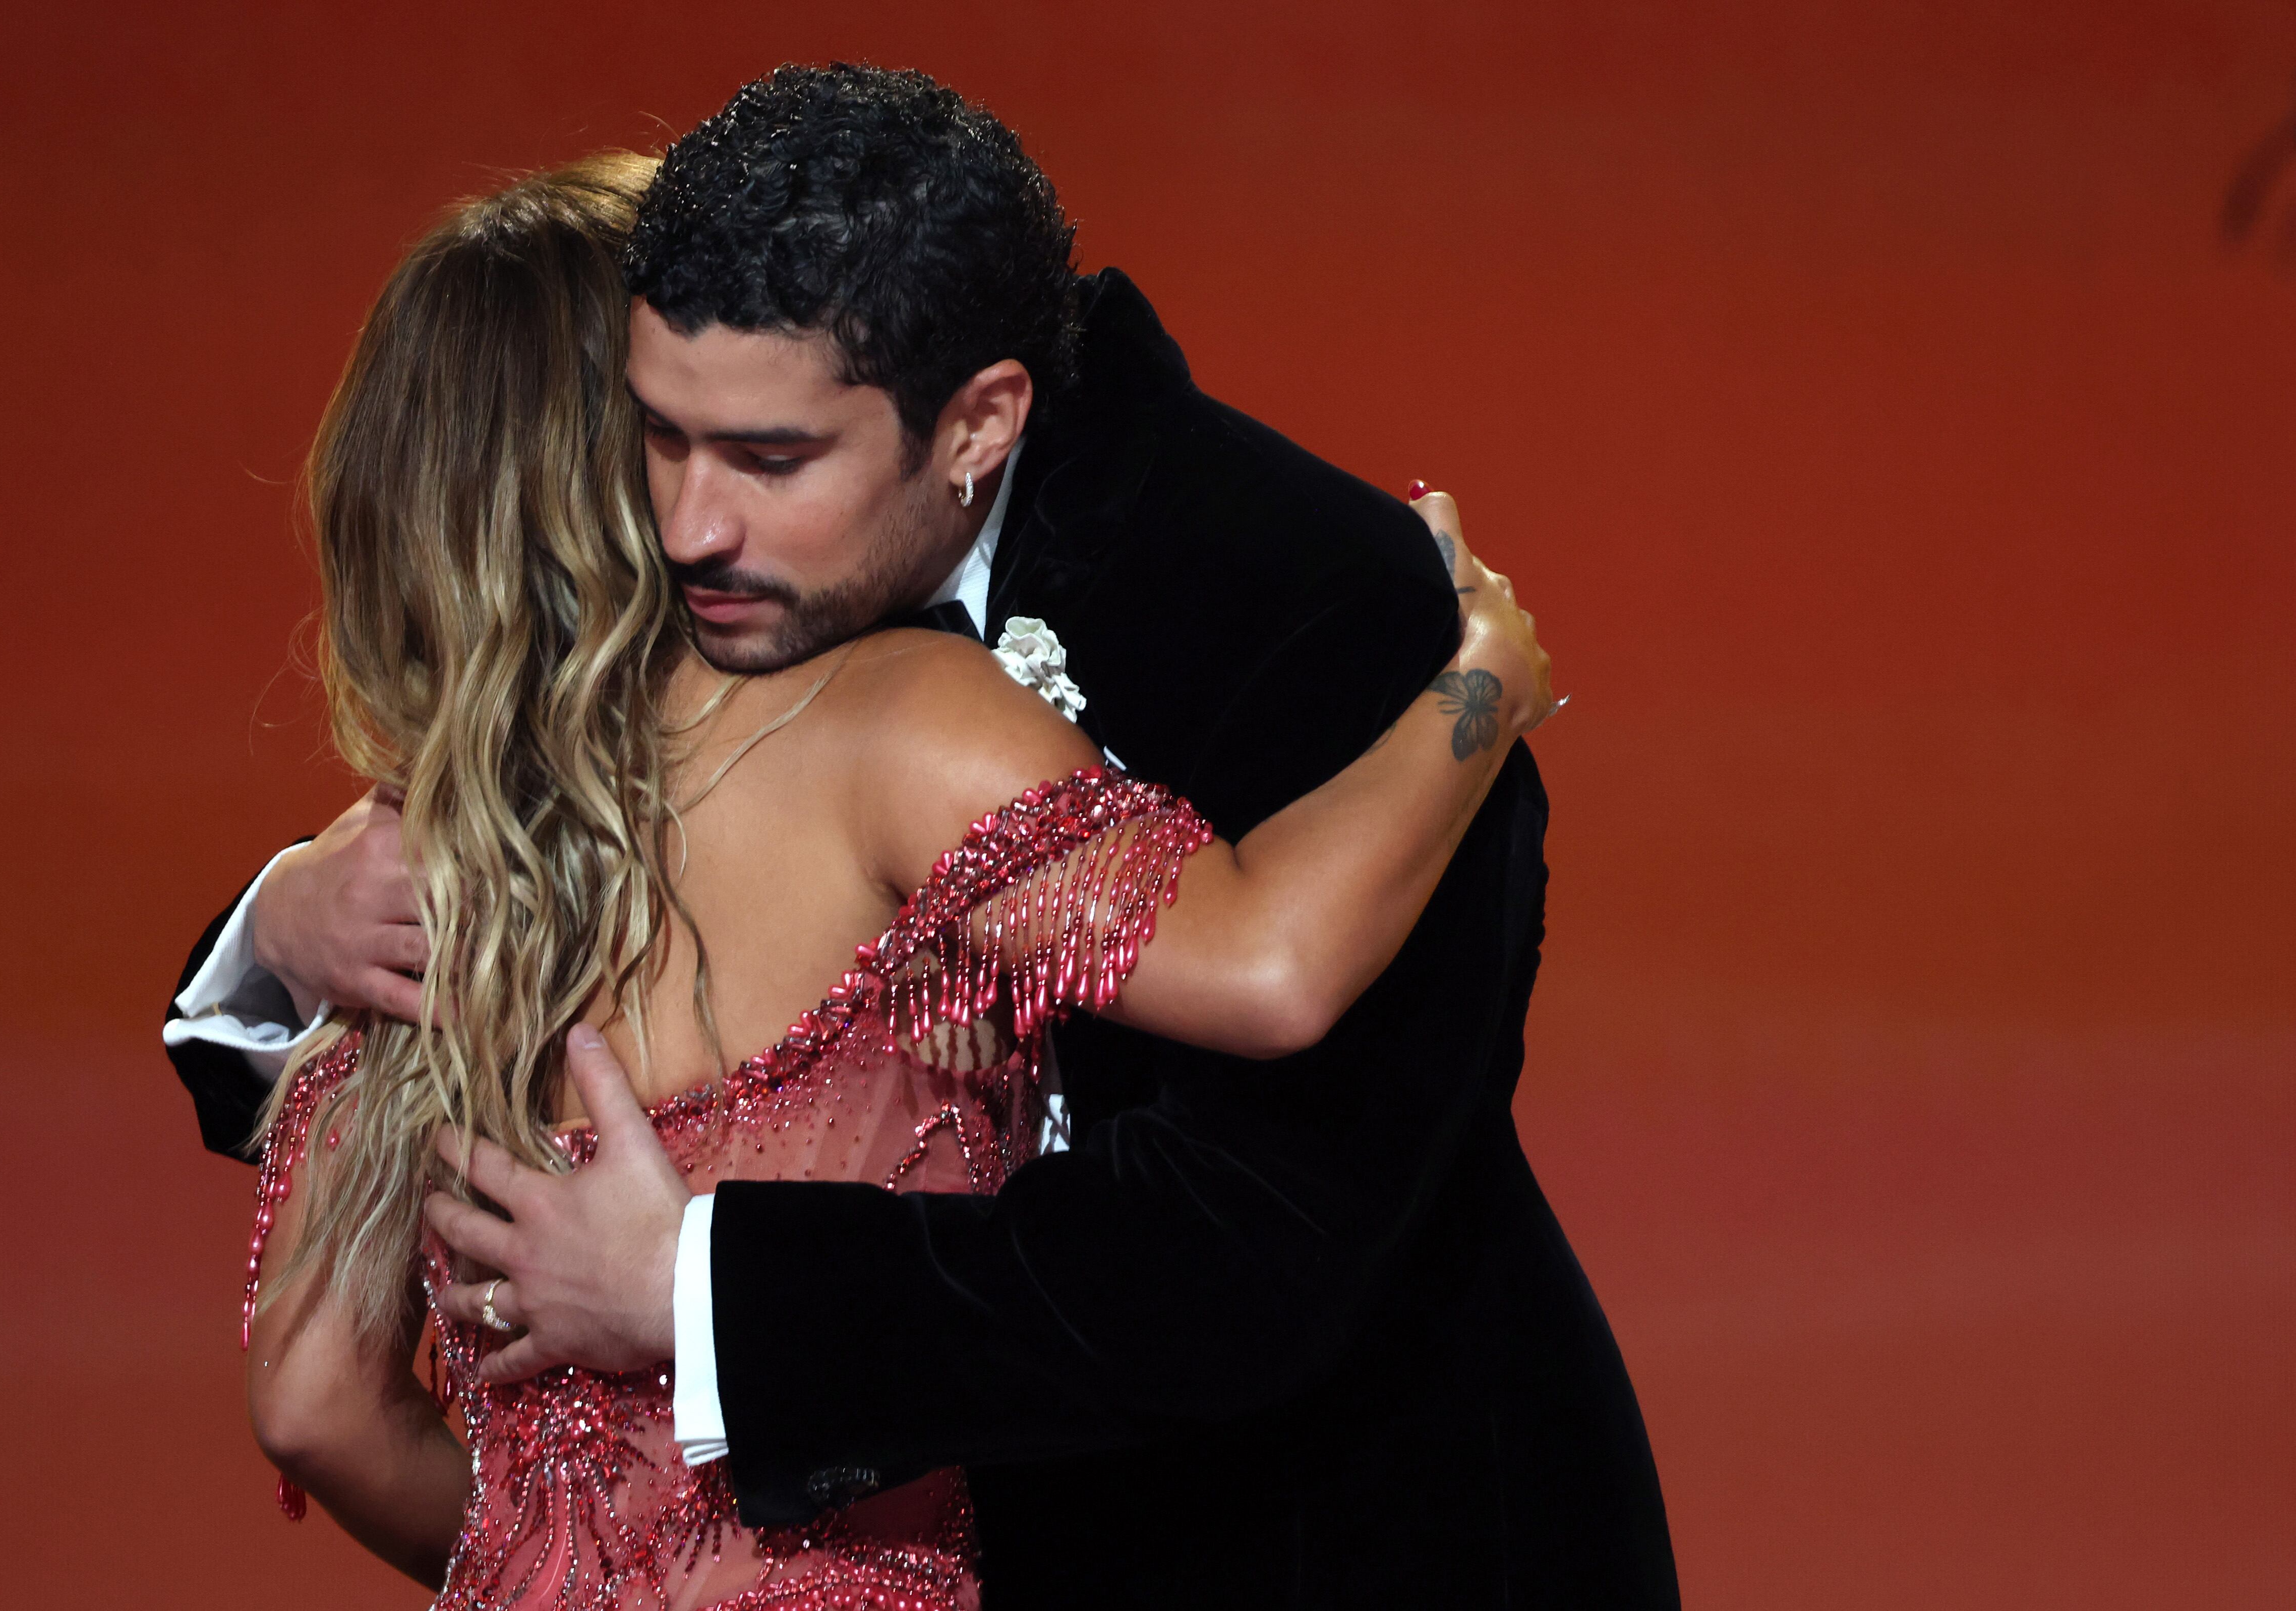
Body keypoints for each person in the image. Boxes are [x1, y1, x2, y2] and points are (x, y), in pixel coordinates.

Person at [171, 65, 1674, 1608]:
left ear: (977, 425)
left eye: (768, 459)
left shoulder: (1294, 597)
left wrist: (685, 1316)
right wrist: (275, 926)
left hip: (1324, 1544)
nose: (692, 526)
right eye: (657, 439)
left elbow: (1259, 1255)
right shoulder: (594, 754)